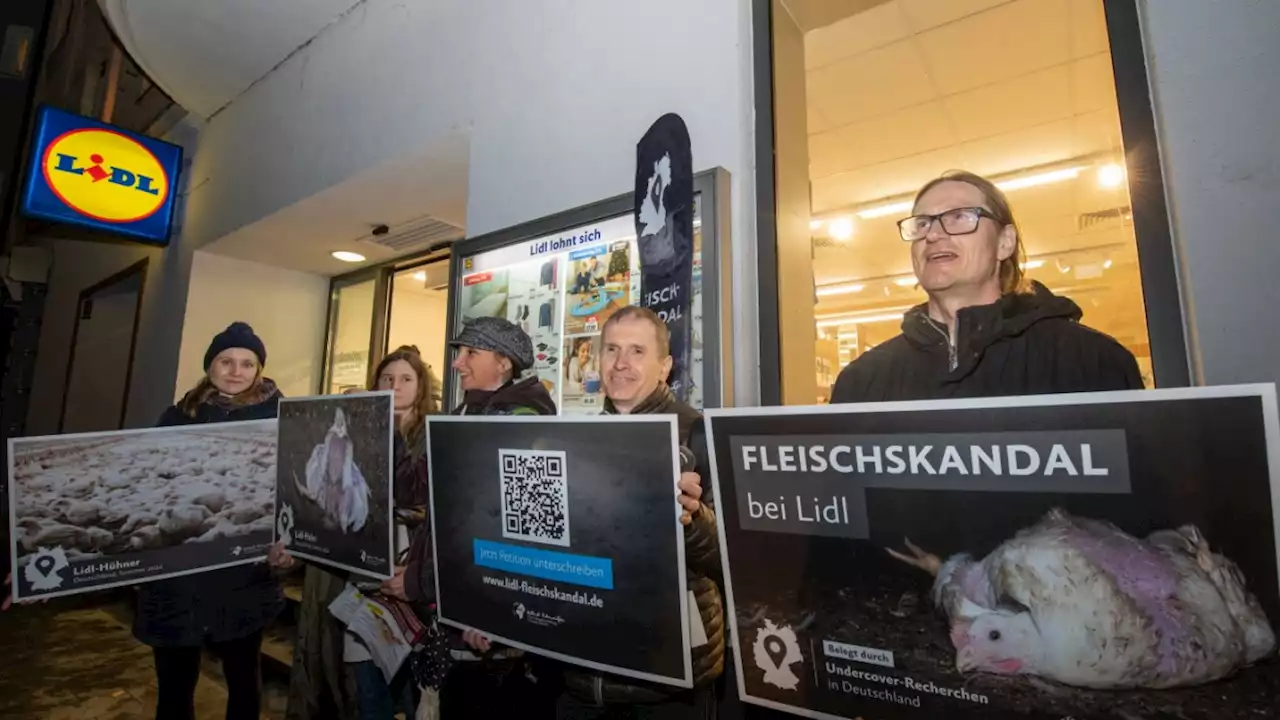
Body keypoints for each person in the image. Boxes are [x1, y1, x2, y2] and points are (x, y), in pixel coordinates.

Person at [831, 170, 1144, 403]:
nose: (934, 234)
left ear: (1005, 243)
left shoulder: (1092, 363)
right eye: (923, 222)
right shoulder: (861, 382)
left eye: (959, 217)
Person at [559, 306, 725, 719]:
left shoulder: (699, 433)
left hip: (667, 679)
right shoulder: (578, 438)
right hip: (584, 668)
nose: (620, 363)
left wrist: (692, 518)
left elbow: (732, 555)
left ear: (664, 366)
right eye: (611, 349)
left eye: (636, 351)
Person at [134, 322, 293, 720]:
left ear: (258, 370)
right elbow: (146, 481)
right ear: (210, 366)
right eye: (226, 361)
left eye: (247, 363)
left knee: (243, 679)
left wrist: (290, 543)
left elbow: (294, 489)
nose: (236, 371)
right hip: (179, 577)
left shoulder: (283, 421)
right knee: (174, 684)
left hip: (243, 575)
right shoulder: (176, 417)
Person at [430, 316, 559, 717]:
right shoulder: (466, 413)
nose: (458, 363)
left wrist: (493, 610)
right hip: (459, 597)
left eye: (471, 353)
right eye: (459, 352)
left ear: (503, 363)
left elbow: (527, 530)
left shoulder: (524, 421)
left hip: (494, 619)